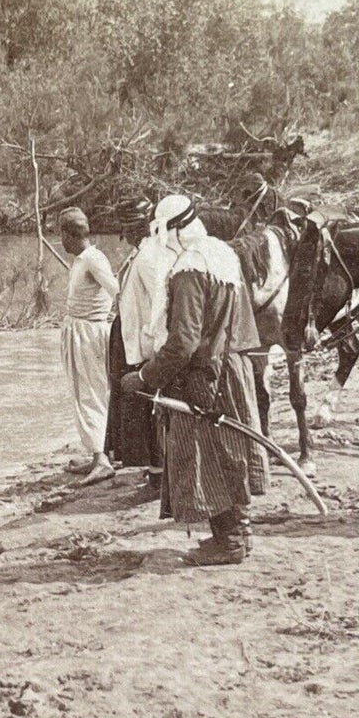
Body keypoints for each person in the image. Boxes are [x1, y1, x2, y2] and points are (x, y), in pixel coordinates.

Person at [122, 194, 269, 566]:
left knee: (211, 458)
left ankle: (230, 541)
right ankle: (238, 535)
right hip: (232, 367)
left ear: (172, 232)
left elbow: (184, 340)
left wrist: (145, 376)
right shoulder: (221, 254)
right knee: (231, 453)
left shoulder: (189, 269)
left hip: (205, 377)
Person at [107, 196, 170, 491]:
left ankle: (159, 473)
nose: (125, 234)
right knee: (141, 410)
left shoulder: (149, 258)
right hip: (135, 340)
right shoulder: (142, 254)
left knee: (150, 410)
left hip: (146, 344)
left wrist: (151, 343)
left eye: (127, 228)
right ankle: (154, 470)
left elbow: (159, 304)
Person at [58, 206, 118, 485]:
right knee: (82, 393)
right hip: (79, 331)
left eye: (62, 235)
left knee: (92, 393)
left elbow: (116, 290)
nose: (61, 241)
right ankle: (97, 453)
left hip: (90, 334)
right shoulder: (82, 259)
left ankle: (102, 460)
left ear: (71, 235)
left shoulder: (93, 259)